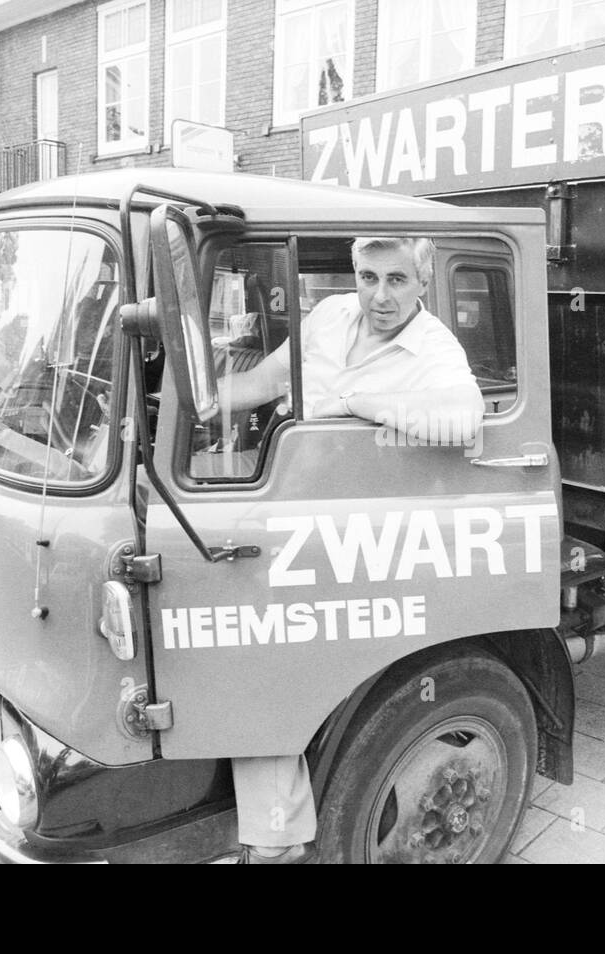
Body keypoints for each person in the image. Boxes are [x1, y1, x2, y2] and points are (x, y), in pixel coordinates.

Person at [220, 236, 484, 863]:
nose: (380, 296)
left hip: (346, 523)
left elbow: (465, 419)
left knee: (264, 650)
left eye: (397, 280)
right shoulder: (333, 315)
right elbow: (264, 379)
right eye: (368, 277)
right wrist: (196, 400)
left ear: (423, 281)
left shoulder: (434, 348)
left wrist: (356, 402)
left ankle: (277, 842)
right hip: (285, 499)